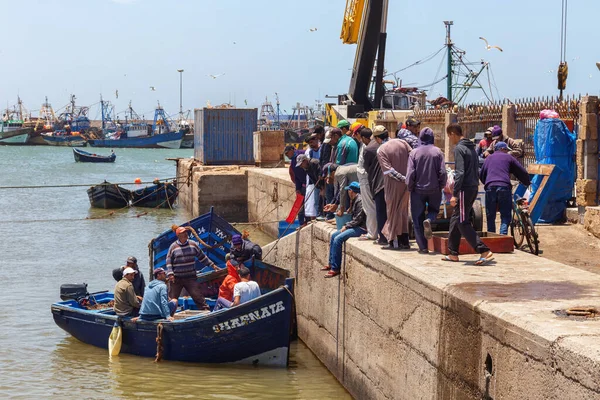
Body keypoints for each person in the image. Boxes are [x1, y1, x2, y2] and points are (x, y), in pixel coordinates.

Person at [444, 124, 494, 265]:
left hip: (465, 189)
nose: (449, 139)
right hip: (473, 186)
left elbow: (460, 172)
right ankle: (453, 252)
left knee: (462, 221)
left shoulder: (459, 148)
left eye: (449, 136)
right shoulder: (471, 147)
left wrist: (455, 193)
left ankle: (483, 250)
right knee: (456, 218)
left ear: (453, 133)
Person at [406, 127, 447, 254]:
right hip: (434, 189)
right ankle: (429, 219)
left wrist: (410, 187)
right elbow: (443, 172)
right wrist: (441, 185)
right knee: (434, 210)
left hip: (417, 190)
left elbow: (411, 173)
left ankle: (423, 247)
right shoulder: (438, 152)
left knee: (417, 218)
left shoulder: (414, 153)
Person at [480, 141, 531, 234]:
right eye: (506, 150)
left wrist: (488, 183)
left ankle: (492, 238)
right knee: (505, 215)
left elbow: (482, 174)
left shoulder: (488, 158)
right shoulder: (509, 157)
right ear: (502, 149)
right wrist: (526, 181)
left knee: (490, 215)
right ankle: (503, 236)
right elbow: (520, 171)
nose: (507, 152)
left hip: (490, 187)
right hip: (504, 186)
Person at [166, 227, 219, 310]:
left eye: (186, 233)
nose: (185, 234)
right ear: (178, 235)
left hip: (190, 277)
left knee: (198, 296)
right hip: (177, 278)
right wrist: (170, 274)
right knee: (173, 298)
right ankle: (169, 314)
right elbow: (169, 261)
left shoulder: (193, 244)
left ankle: (205, 310)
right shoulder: (173, 247)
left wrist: (212, 265)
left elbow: (202, 257)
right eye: (183, 233)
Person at [377, 127, 412, 250]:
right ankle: (405, 241)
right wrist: (408, 178)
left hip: (393, 184)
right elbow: (413, 159)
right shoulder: (403, 143)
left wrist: (403, 178)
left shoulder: (381, 150)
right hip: (407, 184)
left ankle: (393, 242)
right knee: (403, 211)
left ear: (377, 138)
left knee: (392, 212)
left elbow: (389, 171)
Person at [322, 182, 366, 278]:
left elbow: (358, 219)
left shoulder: (360, 201)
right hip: (355, 225)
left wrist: (346, 226)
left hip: (361, 228)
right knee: (334, 236)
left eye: (348, 190)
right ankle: (331, 263)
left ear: (351, 191)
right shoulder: (355, 200)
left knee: (338, 239)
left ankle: (335, 268)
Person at [364, 125, 388, 245]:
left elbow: (367, 168)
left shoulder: (370, 149)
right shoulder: (394, 145)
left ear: (377, 138)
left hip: (379, 184)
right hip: (394, 183)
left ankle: (383, 237)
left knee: (381, 211)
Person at [356, 127, 378, 241]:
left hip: (365, 179)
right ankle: (373, 231)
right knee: (370, 206)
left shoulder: (367, 147)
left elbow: (366, 166)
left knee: (369, 207)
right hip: (365, 179)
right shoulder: (369, 146)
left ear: (364, 137)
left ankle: (372, 233)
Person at [284, 144, 307, 226]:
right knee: (300, 205)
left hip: (309, 183)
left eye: (287, 153)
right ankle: (302, 223)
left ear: (292, 150)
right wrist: (297, 188)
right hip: (302, 185)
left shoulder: (302, 154)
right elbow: (296, 176)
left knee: (307, 204)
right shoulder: (293, 161)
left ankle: (307, 221)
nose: (287, 156)